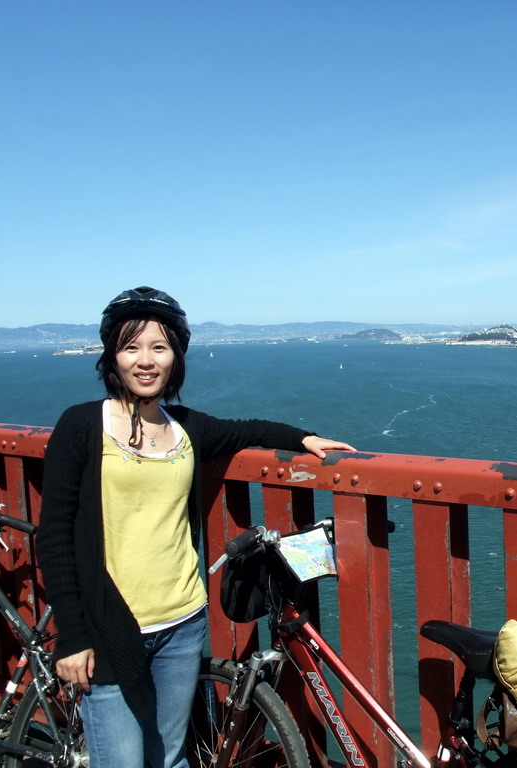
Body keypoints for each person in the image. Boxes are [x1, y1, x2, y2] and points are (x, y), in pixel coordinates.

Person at [36, 286, 355, 768]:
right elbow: (54, 536)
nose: (146, 361)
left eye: (158, 347)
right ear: (112, 357)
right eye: (131, 347)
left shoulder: (185, 427)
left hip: (183, 622)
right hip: (109, 626)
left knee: (169, 756)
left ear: (175, 357)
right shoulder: (82, 426)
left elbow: (248, 429)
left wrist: (304, 438)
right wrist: (73, 635)